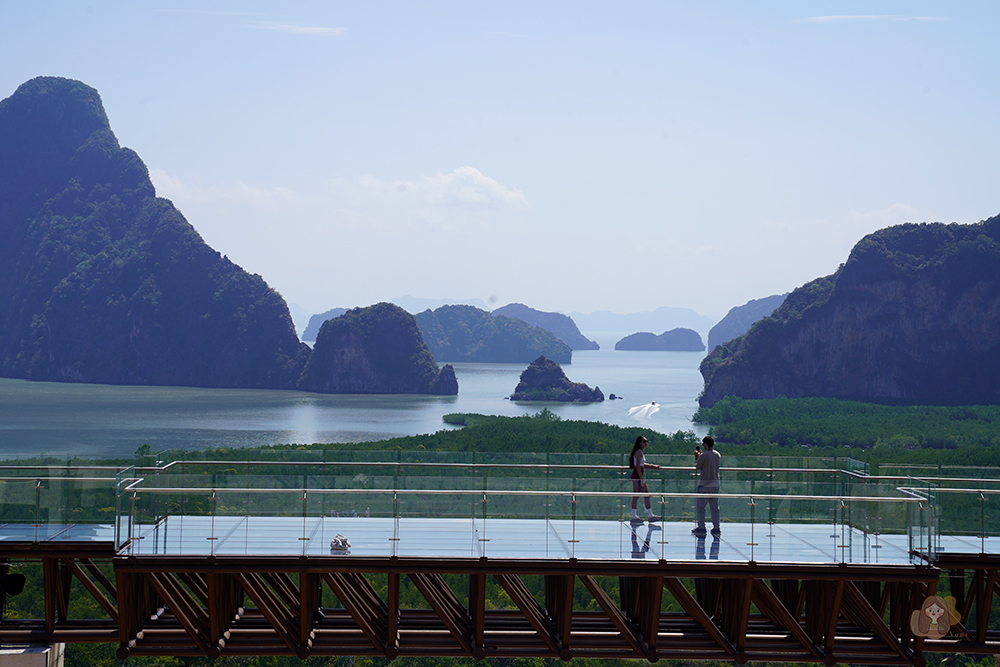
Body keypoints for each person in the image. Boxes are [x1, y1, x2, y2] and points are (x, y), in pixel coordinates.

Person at [693, 435, 721, 537]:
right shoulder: (717, 455)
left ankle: (701, 526)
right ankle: (716, 527)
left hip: (704, 484)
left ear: (705, 444)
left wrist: (697, 457)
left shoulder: (703, 456)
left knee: (701, 507)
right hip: (715, 484)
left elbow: (698, 467)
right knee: (714, 507)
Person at [628, 435, 661, 524]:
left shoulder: (639, 452)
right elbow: (638, 467)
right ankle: (648, 515)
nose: (646, 443)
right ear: (640, 443)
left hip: (636, 476)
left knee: (638, 495)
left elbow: (641, 464)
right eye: (644, 441)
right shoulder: (639, 452)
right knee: (643, 495)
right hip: (637, 476)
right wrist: (641, 479)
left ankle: (637, 516)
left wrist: (652, 466)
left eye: (646, 441)